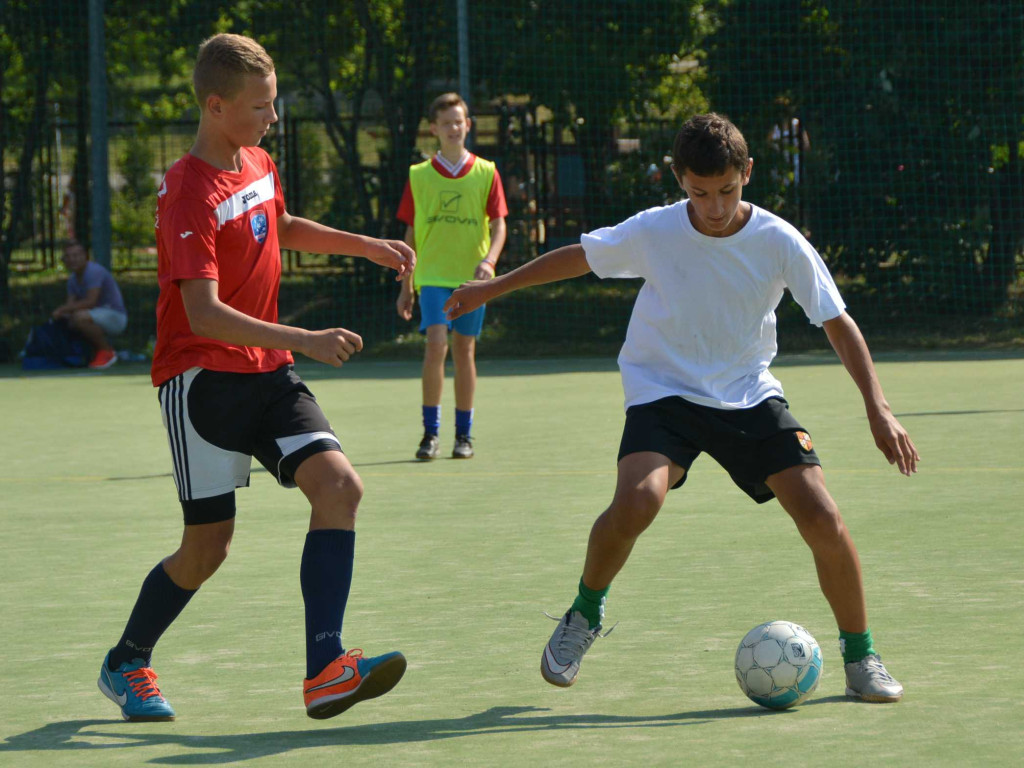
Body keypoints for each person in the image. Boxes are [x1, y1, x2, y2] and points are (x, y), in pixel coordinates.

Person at [445, 113, 919, 703]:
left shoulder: (778, 239)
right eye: (699, 193)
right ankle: (583, 615)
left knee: (823, 516)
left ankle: (861, 657)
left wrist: (879, 407)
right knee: (637, 500)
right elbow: (577, 257)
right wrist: (491, 287)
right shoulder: (657, 230)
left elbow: (836, 322)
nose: (714, 207)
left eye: (726, 190)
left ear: (746, 173)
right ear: (679, 180)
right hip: (663, 389)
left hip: (748, 392)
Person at [96, 33, 415, 723]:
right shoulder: (186, 191)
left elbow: (284, 223)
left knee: (340, 487)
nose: (272, 117)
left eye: (274, 104)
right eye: (260, 106)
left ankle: (325, 670)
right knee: (208, 546)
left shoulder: (258, 160)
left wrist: (367, 246)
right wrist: (306, 336)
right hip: (201, 382)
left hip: (268, 372)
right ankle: (127, 660)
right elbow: (204, 313)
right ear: (215, 107)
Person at [396, 92, 508, 460]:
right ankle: (430, 434)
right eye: (446, 123)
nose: (453, 128)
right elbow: (410, 235)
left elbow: (499, 226)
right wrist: (406, 284)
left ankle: (465, 436)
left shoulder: (486, 172)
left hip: (472, 280)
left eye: (458, 121)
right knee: (435, 344)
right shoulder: (419, 175)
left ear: (468, 126)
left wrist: (489, 262)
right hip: (431, 275)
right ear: (434, 129)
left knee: (465, 350)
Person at [52, 241, 128, 369]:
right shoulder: (72, 279)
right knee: (70, 320)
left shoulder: (94, 272)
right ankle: (86, 354)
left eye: (76, 255)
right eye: (68, 256)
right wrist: (63, 314)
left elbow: (90, 301)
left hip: (116, 317)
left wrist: (62, 309)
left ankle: (107, 352)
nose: (72, 260)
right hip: (96, 316)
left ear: (85, 256)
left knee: (79, 318)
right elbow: (71, 305)